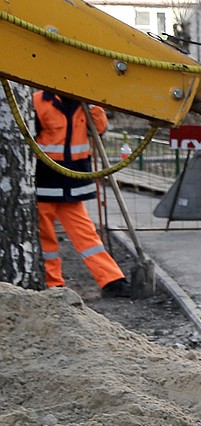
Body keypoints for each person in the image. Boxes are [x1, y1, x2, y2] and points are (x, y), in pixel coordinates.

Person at [34, 90, 130, 297]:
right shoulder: (38, 102)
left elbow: (100, 129)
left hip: (73, 180)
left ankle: (112, 280)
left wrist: (94, 104)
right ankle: (53, 284)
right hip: (45, 180)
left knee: (86, 234)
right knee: (46, 236)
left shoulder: (86, 104)